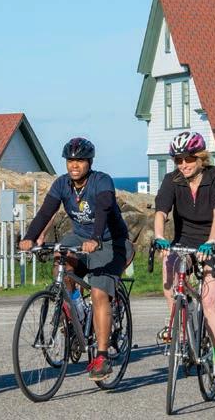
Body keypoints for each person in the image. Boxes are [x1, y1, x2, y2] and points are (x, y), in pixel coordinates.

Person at [19, 137, 132, 381]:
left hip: (110, 242)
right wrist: (29, 237)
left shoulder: (101, 181)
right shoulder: (62, 184)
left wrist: (96, 238)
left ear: (89, 162)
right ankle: (75, 312)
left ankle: (101, 357)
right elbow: (45, 212)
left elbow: (103, 209)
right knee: (60, 259)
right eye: (70, 160)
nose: (74, 165)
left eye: (80, 160)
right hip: (79, 238)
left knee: (99, 292)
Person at [153, 130, 215, 390]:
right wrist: (159, 236)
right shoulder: (172, 180)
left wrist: (211, 241)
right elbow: (161, 211)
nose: (183, 164)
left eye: (188, 158)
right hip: (185, 239)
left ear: (201, 158)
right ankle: (180, 326)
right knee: (169, 274)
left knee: (209, 300)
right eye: (178, 160)